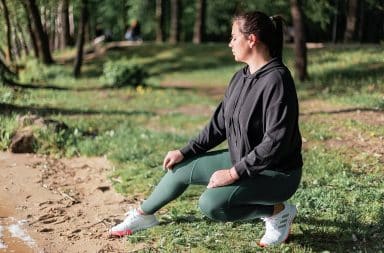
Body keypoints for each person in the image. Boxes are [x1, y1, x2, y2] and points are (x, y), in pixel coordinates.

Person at [109, 10, 303, 247]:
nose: (229, 43)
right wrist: (185, 151)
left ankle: (278, 212)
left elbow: (275, 142)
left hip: (277, 173)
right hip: (243, 160)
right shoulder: (240, 77)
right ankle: (143, 215)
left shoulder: (277, 81)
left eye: (234, 37)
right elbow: (219, 125)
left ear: (251, 39)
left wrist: (233, 173)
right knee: (180, 167)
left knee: (211, 204)